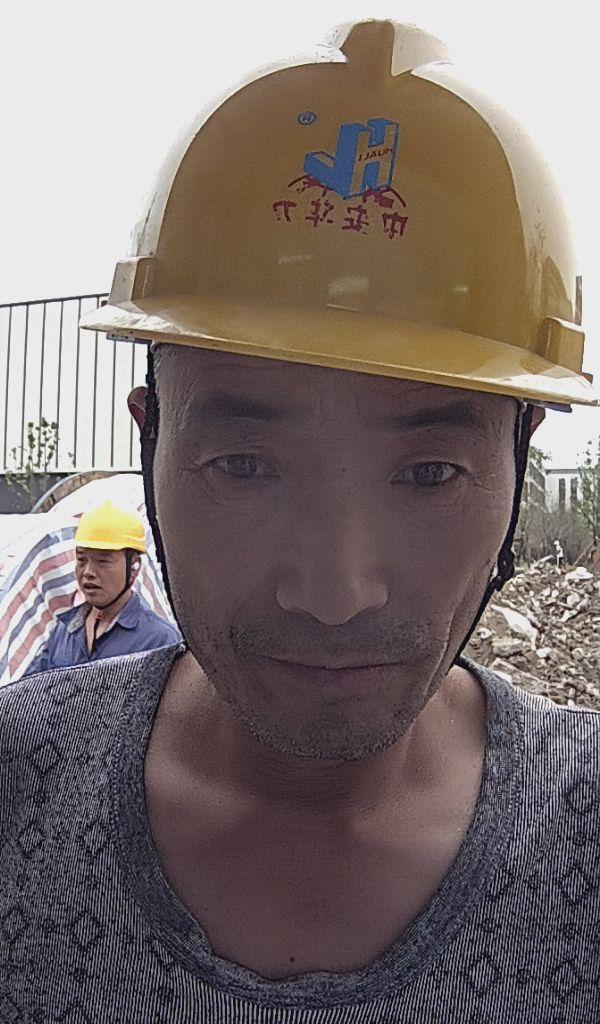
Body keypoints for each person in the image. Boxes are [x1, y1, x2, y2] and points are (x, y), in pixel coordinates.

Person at [1, 20, 598, 1022]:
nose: (332, 593)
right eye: (243, 466)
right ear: (149, 444)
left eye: (428, 473)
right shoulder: (18, 789)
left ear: (518, 461)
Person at [24, 499, 181, 674]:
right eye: (81, 560)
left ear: (134, 567)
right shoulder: (65, 630)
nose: (88, 572)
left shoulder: (159, 641)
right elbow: (28, 686)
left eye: (103, 561)